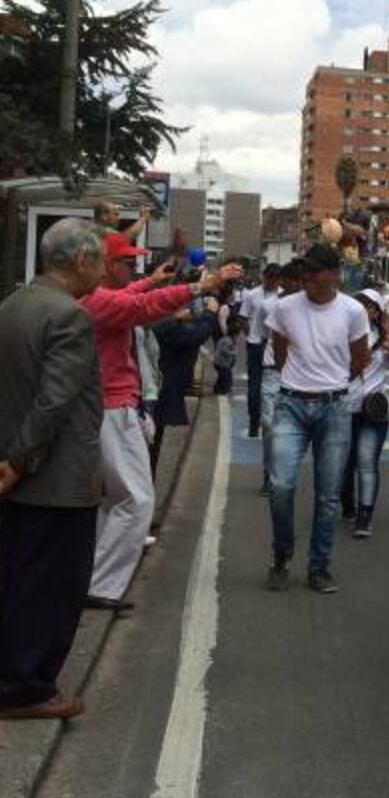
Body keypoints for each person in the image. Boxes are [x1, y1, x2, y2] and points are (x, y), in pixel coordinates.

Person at [82, 233, 239, 610]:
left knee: (115, 499)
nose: (132, 269)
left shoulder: (99, 296)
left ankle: (93, 576)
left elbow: (132, 296)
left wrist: (153, 280)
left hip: (114, 405)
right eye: (127, 263)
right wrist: (199, 286)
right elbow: (141, 305)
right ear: (105, 265)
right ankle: (101, 585)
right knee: (137, 501)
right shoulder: (99, 301)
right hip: (113, 408)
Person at [0, 219, 106, 720]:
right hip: (55, 477)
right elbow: (54, 401)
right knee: (52, 586)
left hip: (18, 471)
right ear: (82, 260)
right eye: (100, 260)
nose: (102, 271)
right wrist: (19, 461)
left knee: (18, 578)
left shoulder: (14, 304)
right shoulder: (70, 316)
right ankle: (27, 688)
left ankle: (16, 678)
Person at [264, 244, 370, 594]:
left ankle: (319, 567)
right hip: (291, 405)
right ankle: (282, 555)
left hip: (334, 408)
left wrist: (332, 385)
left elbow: (360, 359)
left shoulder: (353, 311)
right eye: (304, 270)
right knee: (281, 486)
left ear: (335, 274)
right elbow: (280, 352)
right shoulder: (284, 307)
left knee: (328, 496)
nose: (307, 276)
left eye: (315, 270)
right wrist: (299, 381)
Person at [340, 288, 389, 537]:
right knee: (344, 464)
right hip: (343, 409)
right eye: (360, 305)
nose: (364, 310)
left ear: (377, 312)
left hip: (374, 411)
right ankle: (347, 505)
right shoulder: (340, 334)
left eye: (370, 307)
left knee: (366, 461)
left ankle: (365, 516)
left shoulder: (384, 340)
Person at [151, 296, 220, 477]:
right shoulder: (165, 326)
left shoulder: (158, 321)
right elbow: (194, 336)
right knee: (150, 447)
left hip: (151, 392)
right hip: (153, 394)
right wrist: (209, 313)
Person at [257, 260, 304, 496]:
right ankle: (269, 474)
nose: (294, 285)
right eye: (290, 281)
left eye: (298, 281)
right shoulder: (269, 305)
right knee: (269, 425)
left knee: (291, 431)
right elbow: (261, 335)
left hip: (298, 375)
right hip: (272, 372)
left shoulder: (308, 307)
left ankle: (283, 475)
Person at [240, 264, 281, 438]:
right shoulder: (252, 294)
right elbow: (243, 316)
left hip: (273, 344)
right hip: (256, 343)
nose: (271, 281)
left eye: (275, 278)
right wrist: (249, 334)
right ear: (264, 276)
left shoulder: (282, 295)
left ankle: (270, 421)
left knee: (273, 385)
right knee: (254, 385)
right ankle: (254, 422)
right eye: (269, 277)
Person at [213, 319, 239, 395]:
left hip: (220, 362)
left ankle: (218, 389)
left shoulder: (225, 339)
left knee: (222, 376)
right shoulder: (228, 341)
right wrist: (233, 353)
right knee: (225, 377)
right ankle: (223, 390)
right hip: (222, 363)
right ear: (234, 334)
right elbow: (224, 350)